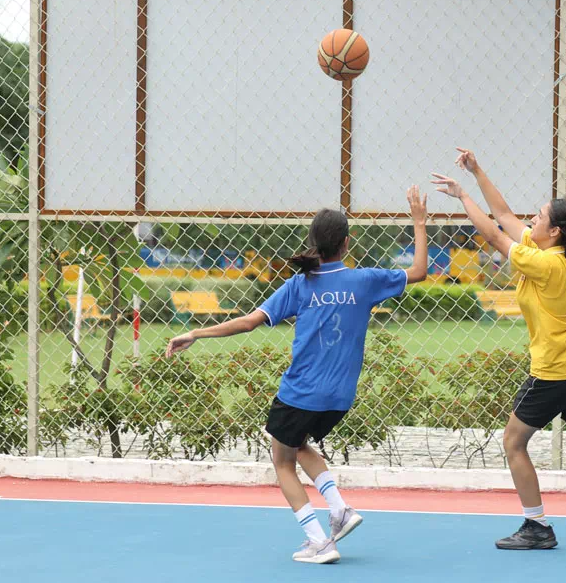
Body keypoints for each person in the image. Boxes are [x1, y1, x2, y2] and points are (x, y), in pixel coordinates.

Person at [165, 187, 430, 565]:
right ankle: (339, 509)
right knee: (299, 443)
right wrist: (419, 221)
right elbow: (419, 271)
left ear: (313, 242)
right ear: (347, 243)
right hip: (340, 397)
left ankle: (319, 541)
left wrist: (196, 332)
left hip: (300, 391)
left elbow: (248, 322)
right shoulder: (366, 280)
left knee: (282, 459)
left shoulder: (300, 285)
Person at [431, 148, 566, 550]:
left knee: (513, 442)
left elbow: (494, 234)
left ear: (554, 231)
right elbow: (504, 215)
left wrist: (463, 196)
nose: (532, 220)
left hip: (556, 370)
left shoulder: (545, 263)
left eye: (539, 216)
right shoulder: (547, 253)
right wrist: (478, 171)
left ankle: (537, 527)